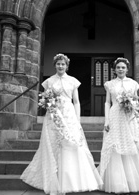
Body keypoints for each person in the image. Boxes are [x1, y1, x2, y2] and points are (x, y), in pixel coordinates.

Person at [21, 53, 103, 195]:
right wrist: (48, 105)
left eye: (63, 64)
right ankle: (54, 179)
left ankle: (71, 180)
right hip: (53, 116)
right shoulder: (48, 82)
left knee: (70, 144)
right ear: (55, 65)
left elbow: (76, 102)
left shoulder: (73, 81)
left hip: (69, 114)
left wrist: (77, 120)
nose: (60, 66)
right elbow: (46, 99)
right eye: (58, 64)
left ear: (67, 66)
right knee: (54, 144)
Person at [98, 57, 139, 194]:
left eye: (123, 67)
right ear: (114, 69)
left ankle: (133, 181)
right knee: (116, 145)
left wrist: (133, 108)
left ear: (127, 69)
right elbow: (108, 103)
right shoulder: (109, 84)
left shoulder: (133, 84)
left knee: (133, 144)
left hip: (129, 116)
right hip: (115, 116)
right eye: (118, 67)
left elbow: (136, 101)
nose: (120, 69)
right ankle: (118, 182)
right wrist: (106, 121)